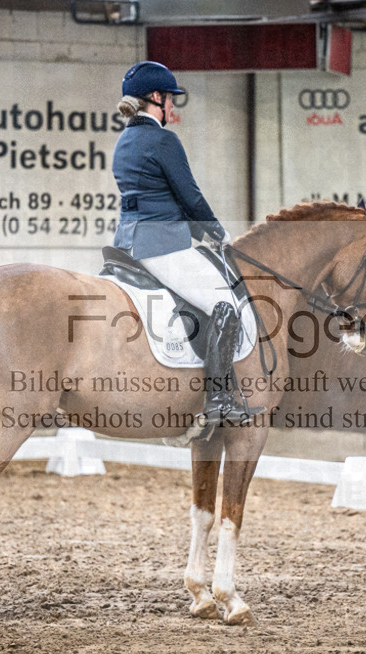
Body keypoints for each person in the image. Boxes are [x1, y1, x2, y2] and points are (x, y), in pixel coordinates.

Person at [111, 60, 260, 435]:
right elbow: (190, 196)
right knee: (225, 305)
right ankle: (218, 400)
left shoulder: (124, 140)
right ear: (156, 98)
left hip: (127, 243)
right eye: (170, 100)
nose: (173, 108)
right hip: (162, 245)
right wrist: (216, 232)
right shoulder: (163, 140)